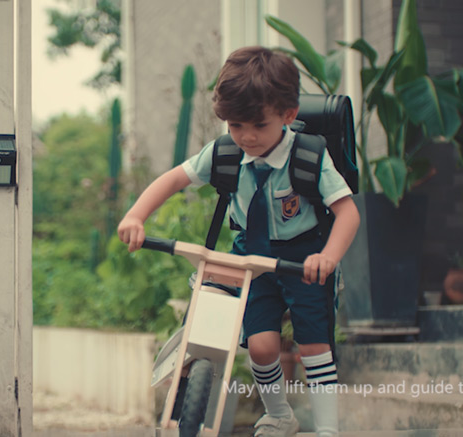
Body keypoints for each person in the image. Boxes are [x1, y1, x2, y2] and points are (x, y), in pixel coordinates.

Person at [118, 46, 360, 437]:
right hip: (251, 258)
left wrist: (327, 257)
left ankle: (329, 428)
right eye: (235, 125)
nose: (246, 136)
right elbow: (174, 179)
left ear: (288, 115)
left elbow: (348, 213)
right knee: (262, 347)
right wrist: (135, 215)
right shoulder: (225, 152)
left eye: (258, 126)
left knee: (314, 347)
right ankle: (280, 415)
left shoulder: (310, 157)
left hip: (304, 259)